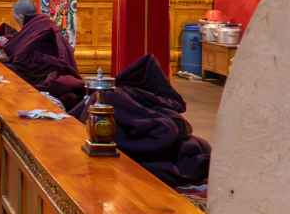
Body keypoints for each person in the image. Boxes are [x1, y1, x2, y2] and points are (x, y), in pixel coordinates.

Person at [69, 55, 210, 188]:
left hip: (131, 144)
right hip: (122, 141)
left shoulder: (123, 96)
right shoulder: (115, 96)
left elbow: (164, 130)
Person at [0, 0, 85, 110]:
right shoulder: (42, 21)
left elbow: (21, 58)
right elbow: (26, 43)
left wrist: (8, 51)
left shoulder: (38, 25)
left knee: (6, 69)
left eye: (15, 17)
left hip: (46, 70)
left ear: (20, 17)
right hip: (51, 65)